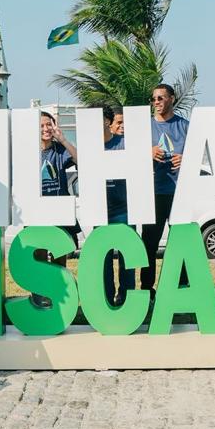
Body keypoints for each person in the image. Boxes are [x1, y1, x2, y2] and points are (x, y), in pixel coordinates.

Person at [142, 84, 189, 294]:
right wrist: (147, 152)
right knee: (149, 244)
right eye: (154, 99)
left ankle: (182, 286)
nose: (157, 102)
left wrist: (186, 159)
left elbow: (200, 155)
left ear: (172, 98)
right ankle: (146, 287)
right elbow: (130, 156)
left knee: (181, 242)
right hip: (154, 193)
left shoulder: (185, 126)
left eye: (161, 98)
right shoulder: (145, 128)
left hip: (180, 192)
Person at [32, 110, 78, 309]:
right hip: (37, 213)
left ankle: (59, 298)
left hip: (59, 212)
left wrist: (64, 139)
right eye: (41, 126)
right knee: (39, 258)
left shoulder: (59, 150)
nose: (45, 129)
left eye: (48, 125)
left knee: (59, 259)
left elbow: (80, 160)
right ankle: (39, 298)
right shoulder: (28, 151)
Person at [100, 106, 132, 306]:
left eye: (101, 119)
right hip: (99, 211)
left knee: (126, 257)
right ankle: (106, 295)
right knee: (103, 259)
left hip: (123, 209)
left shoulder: (123, 144)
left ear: (107, 122)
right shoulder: (88, 147)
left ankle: (126, 296)